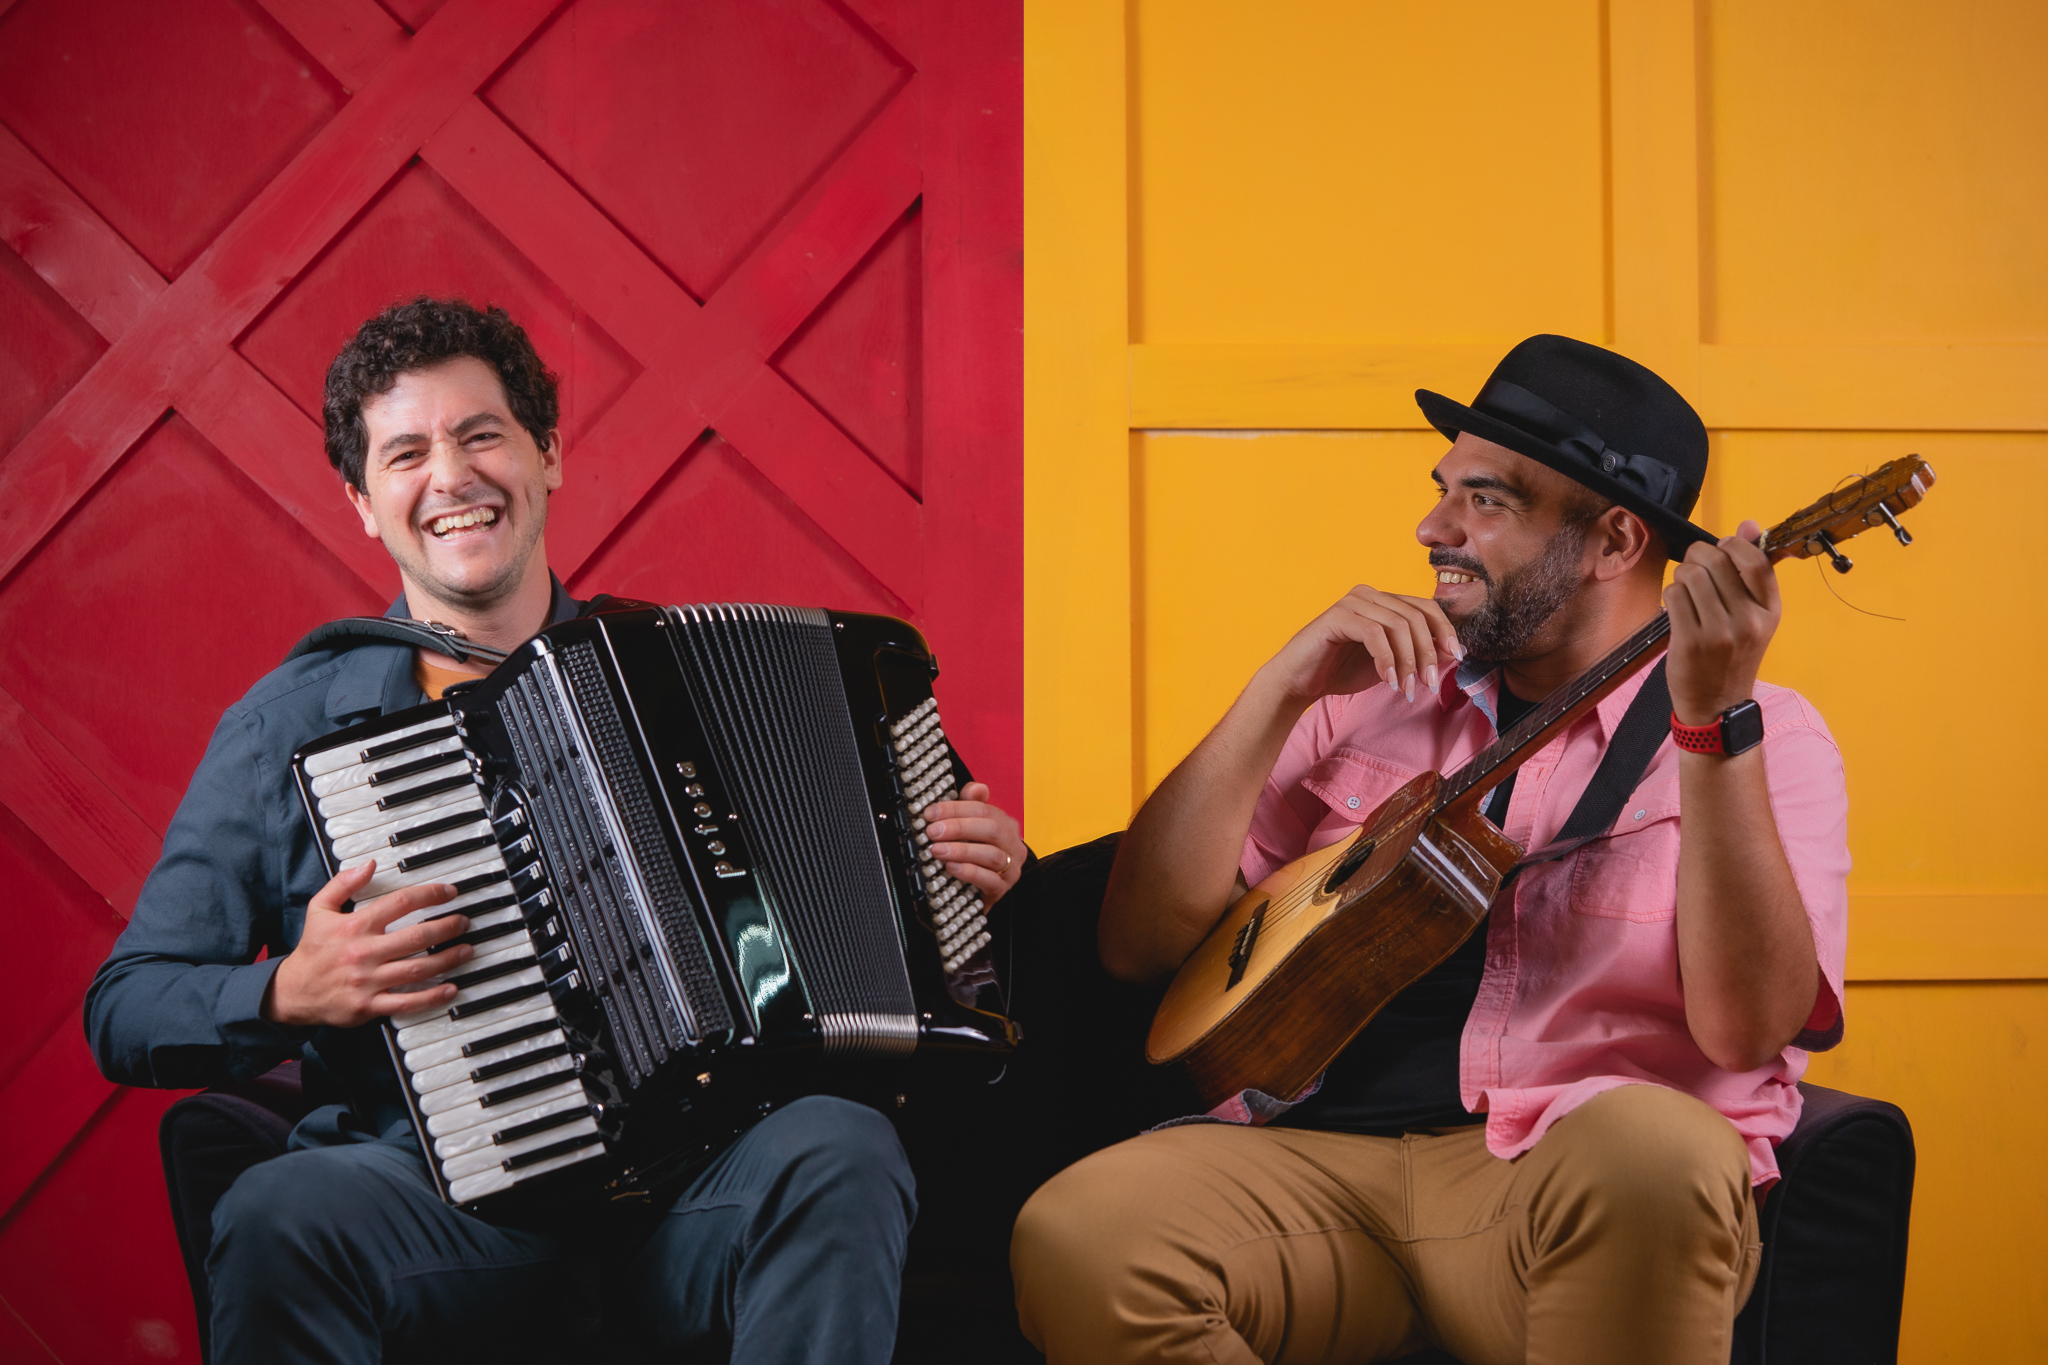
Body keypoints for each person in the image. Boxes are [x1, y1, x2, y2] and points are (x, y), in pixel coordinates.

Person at [84, 296, 1028, 1365]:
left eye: (480, 434)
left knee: (839, 1146)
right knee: (279, 1214)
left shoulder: (676, 679)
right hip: (441, 1215)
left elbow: (935, 928)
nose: (450, 476)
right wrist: (290, 990)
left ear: (547, 456)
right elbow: (126, 1005)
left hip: (688, 1204)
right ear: (361, 502)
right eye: (405, 454)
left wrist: (980, 875)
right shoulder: (287, 725)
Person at [1010, 335, 1849, 1365]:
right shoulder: (1369, 697)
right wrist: (1277, 690)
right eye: (1441, 490)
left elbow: (1745, 1030)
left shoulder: (1765, 735)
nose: (1431, 528)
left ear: (1614, 542)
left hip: (1559, 1180)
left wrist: (1712, 725)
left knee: (1655, 1151)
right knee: (1084, 1230)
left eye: (1485, 501)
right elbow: (1140, 946)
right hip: (1316, 1175)